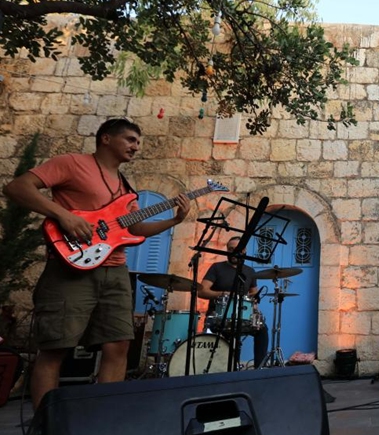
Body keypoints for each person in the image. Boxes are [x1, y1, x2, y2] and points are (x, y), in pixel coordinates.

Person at [3, 118, 191, 409]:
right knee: (56, 348)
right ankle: (44, 426)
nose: (135, 146)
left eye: (138, 142)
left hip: (115, 270)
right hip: (71, 268)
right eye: (130, 139)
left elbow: (136, 231)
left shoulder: (126, 188)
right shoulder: (71, 163)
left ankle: (104, 418)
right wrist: (63, 215)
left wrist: (175, 220)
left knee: (119, 345)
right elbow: (17, 187)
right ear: (106, 138)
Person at [198, 236, 268, 368]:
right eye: (230, 249)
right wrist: (223, 294)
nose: (233, 252)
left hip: (242, 316)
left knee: (262, 329)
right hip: (218, 317)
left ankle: (260, 369)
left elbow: (254, 295)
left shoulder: (250, 271)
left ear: (244, 251)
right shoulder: (216, 268)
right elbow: (202, 291)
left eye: (237, 249)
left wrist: (254, 307)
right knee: (228, 342)